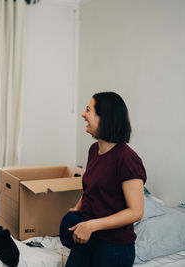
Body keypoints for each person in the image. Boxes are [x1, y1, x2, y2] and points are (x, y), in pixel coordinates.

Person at [59, 92, 146, 267]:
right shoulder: (94, 150)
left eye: (88, 110)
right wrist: (77, 209)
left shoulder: (127, 159)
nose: (83, 114)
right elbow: (92, 188)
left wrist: (91, 225)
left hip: (113, 247)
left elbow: (136, 211)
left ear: (105, 118)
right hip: (90, 239)